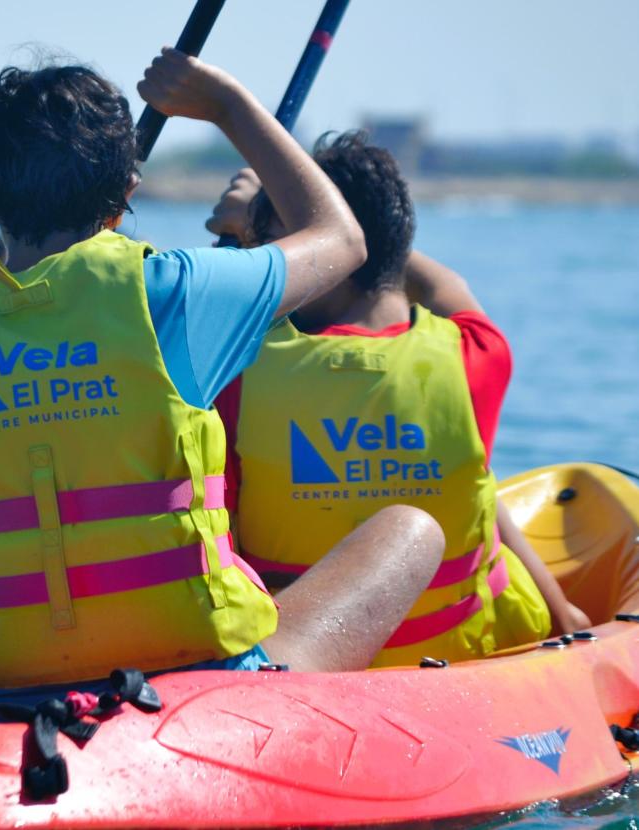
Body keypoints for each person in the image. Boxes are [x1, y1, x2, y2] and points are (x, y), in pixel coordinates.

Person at [0, 52, 444, 691]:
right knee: (411, 530)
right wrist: (229, 106)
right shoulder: (174, 291)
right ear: (126, 191)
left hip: (3, 684)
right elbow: (343, 239)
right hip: (194, 675)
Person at [208, 132, 589, 668]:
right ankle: (564, 614)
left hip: (303, 661)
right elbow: (444, 286)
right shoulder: (477, 356)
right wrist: (340, 233)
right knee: (476, 480)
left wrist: (285, 239)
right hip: (462, 653)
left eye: (277, 246)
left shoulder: (235, 372)